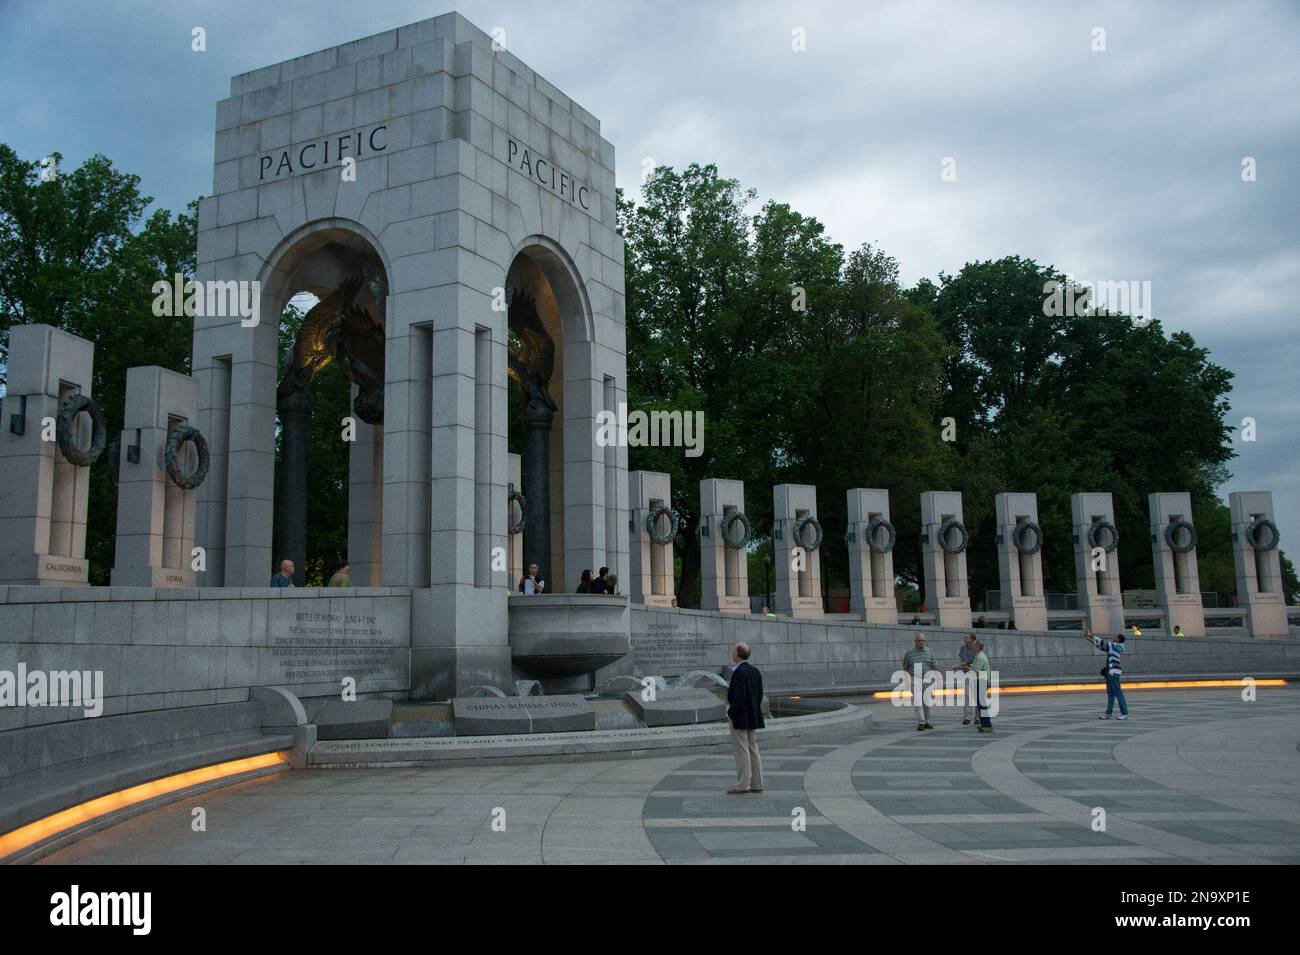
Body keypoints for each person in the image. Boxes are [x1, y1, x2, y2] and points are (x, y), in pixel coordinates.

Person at [726, 642, 764, 794]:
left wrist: (731, 713)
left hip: (740, 717)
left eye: (733, 651)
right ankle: (757, 784)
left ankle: (743, 785)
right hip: (753, 715)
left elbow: (738, 697)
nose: (731, 653)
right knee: (753, 749)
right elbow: (760, 694)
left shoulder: (739, 672)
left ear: (737, 654)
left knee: (742, 751)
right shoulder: (755, 671)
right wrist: (753, 710)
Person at [1084, 628, 1128, 720]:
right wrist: (1089, 639)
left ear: (1119, 639)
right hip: (1109, 672)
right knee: (1110, 693)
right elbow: (1101, 646)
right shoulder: (1114, 646)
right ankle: (1108, 713)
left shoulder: (1117, 646)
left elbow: (1102, 643)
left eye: (1116, 637)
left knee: (1118, 692)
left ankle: (1124, 713)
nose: (1114, 638)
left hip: (1114, 672)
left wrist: (1091, 635)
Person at [902, 633, 940, 730]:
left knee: (926, 702)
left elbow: (935, 667)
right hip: (915, 679)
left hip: (928, 679)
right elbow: (905, 668)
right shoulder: (909, 653)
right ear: (915, 641)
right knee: (918, 701)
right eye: (919, 640)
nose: (921, 642)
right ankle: (921, 722)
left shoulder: (930, 652)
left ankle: (926, 721)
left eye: (923, 640)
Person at [970, 639, 993, 732]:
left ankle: (987, 725)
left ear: (977, 647)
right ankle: (984, 724)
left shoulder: (979, 657)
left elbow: (975, 672)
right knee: (980, 705)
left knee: (982, 705)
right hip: (981, 681)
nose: (972, 646)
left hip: (981, 682)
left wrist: (966, 668)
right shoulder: (978, 656)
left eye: (973, 645)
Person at [957, 633, 977, 725]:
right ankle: (967, 717)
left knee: (976, 696)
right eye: (964, 636)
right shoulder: (963, 648)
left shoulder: (976, 648)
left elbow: (978, 663)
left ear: (972, 639)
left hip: (974, 674)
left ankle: (977, 717)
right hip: (965, 674)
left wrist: (969, 666)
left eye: (967, 637)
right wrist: (958, 667)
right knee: (966, 696)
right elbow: (962, 661)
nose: (965, 638)